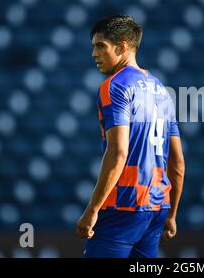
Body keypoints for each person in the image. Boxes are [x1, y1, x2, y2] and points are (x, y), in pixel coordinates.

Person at [76, 15, 185, 258]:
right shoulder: (162, 91)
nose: (94, 53)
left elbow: (118, 152)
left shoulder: (115, 86)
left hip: (123, 206)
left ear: (122, 46)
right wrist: (172, 214)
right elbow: (177, 164)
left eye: (100, 45)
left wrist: (92, 209)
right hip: (157, 207)